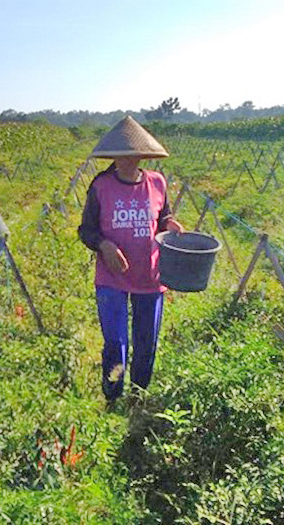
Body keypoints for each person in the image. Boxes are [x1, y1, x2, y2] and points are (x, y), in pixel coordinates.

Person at [78, 116, 184, 403]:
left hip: (150, 275)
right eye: (121, 155)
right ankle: (112, 396)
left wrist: (170, 224)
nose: (126, 160)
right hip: (111, 277)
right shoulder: (101, 186)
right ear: (113, 156)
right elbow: (86, 230)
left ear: (141, 156)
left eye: (132, 155)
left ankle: (139, 395)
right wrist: (105, 245)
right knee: (116, 342)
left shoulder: (157, 183)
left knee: (146, 342)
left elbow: (163, 217)